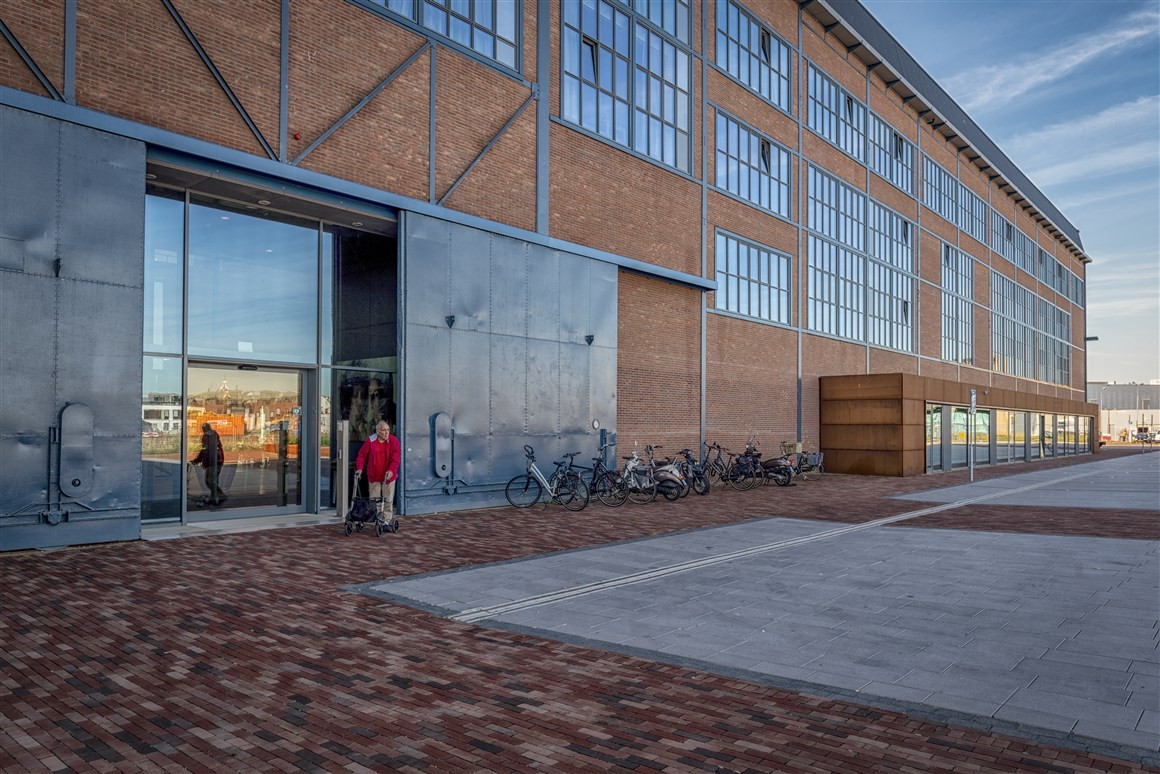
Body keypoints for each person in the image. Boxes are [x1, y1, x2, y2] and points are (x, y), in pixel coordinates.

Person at [355, 420, 401, 525]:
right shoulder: (371, 440)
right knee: (375, 500)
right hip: (374, 475)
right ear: (378, 431)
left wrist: (391, 470)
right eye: (384, 430)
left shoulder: (394, 441)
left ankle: (386, 521)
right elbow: (361, 455)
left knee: (387, 499)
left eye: (388, 430)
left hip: (388, 476)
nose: (387, 432)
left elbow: (396, 460)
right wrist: (360, 468)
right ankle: (378, 519)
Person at [190, 422, 228, 506]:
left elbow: (205, 450)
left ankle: (220, 496)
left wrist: (198, 460)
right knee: (213, 481)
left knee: (210, 481)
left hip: (213, 462)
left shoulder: (207, 436)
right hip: (218, 461)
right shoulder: (214, 435)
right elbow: (208, 450)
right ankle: (213, 498)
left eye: (203, 429)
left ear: (204, 429)